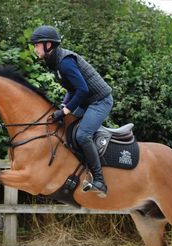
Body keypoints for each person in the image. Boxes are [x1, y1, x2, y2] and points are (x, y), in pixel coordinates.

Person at [30, 25, 113, 197]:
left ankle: (99, 180)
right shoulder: (55, 62)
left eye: (37, 44)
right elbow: (72, 89)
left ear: (48, 45)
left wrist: (66, 110)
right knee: (65, 128)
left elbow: (82, 89)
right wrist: (63, 107)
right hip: (86, 101)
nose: (34, 48)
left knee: (83, 135)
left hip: (100, 101)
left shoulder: (65, 62)